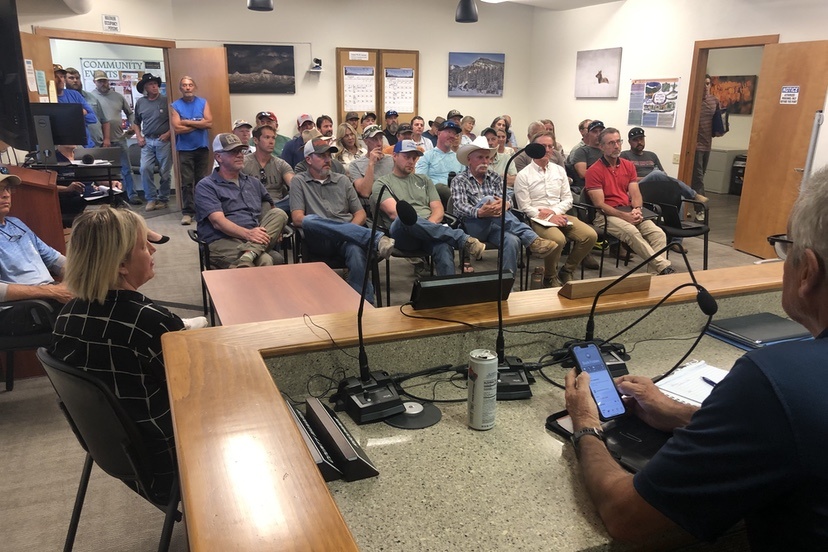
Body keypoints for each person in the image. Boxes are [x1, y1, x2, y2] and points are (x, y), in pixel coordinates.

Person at [564, 164, 828, 550]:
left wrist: (586, 423)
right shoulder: (785, 395)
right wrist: (680, 414)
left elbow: (628, 518)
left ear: (807, 272)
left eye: (784, 249)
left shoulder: (777, 380)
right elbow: (797, 432)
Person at [50, 207, 205, 502]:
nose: (151, 251)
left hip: (121, 456)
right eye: (143, 246)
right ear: (122, 263)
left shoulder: (66, 317)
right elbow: (198, 391)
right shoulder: (150, 322)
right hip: (171, 462)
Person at [290, 138, 395, 305]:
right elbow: (297, 218)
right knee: (309, 220)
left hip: (346, 239)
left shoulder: (342, 180)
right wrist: (348, 232)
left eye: (329, 156)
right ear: (308, 159)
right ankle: (376, 238)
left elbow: (360, 213)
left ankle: (363, 306)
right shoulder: (299, 181)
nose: (327, 160)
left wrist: (348, 231)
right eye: (321, 156)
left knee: (356, 251)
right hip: (319, 239)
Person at [373, 140, 485, 276]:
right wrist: (430, 228)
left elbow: (438, 209)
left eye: (414, 158)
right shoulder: (382, 183)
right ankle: (462, 239)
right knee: (405, 218)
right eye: (406, 157)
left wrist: (428, 228)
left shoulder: (424, 180)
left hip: (429, 231)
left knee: (443, 246)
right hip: (403, 235)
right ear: (395, 156)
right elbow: (394, 213)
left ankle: (448, 292)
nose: (411, 161)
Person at [450, 137, 557, 279]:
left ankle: (506, 286)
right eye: (480, 157)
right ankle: (532, 239)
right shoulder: (459, 179)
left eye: (488, 158)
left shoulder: (494, 177)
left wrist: (506, 204)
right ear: (469, 159)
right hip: (472, 226)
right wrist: (480, 212)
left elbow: (506, 199)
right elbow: (459, 207)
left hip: (496, 225)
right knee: (488, 199)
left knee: (513, 241)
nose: (485, 161)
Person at [513, 132, 597, 287]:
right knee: (558, 240)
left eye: (550, 146)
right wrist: (546, 217)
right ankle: (549, 276)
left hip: (559, 214)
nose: (547, 150)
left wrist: (553, 213)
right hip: (537, 218)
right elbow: (524, 206)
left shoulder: (559, 170)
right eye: (542, 146)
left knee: (590, 235)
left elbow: (568, 199)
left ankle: (567, 270)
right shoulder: (523, 175)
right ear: (533, 148)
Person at [585, 127, 673, 275]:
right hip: (605, 215)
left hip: (629, 210)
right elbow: (600, 204)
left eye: (618, 141)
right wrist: (625, 216)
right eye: (611, 143)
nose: (616, 146)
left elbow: (635, 193)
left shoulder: (628, 165)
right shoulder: (594, 171)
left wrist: (637, 209)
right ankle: (663, 266)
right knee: (632, 232)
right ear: (601, 147)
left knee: (658, 234)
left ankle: (654, 276)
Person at [195, 133, 288, 268]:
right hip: (222, 240)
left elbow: (270, 207)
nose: (239, 155)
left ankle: (248, 255)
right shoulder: (207, 185)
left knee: (279, 213)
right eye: (233, 152)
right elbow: (218, 222)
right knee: (265, 260)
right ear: (218, 157)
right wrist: (248, 234)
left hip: (253, 238)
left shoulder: (253, 182)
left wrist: (276, 229)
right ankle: (249, 258)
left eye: (241, 151)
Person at [0, 172, 72, 336]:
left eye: (7, 189)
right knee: (89, 312)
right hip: (16, 308)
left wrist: (82, 276)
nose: (5, 194)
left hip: (45, 298)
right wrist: (52, 292)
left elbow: (55, 259)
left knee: (107, 292)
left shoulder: (16, 223)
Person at [620, 126, 709, 252]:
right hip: (638, 189)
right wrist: (650, 176)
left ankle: (675, 242)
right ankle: (693, 194)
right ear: (630, 142)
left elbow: (664, 175)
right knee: (656, 174)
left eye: (641, 139)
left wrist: (656, 177)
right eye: (635, 140)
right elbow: (626, 179)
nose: (639, 142)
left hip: (655, 188)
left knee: (678, 196)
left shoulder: (652, 155)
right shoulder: (625, 155)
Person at [89, 70, 140, 205]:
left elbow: (130, 113)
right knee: (104, 172)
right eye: (100, 81)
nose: (103, 83)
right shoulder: (91, 98)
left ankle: (132, 195)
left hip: (119, 139)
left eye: (104, 80)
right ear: (94, 82)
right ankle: (111, 198)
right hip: (100, 141)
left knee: (126, 169)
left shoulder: (118, 96)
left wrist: (132, 125)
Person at [170, 76, 212, 225]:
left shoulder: (203, 102)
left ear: (194, 87)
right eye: (184, 85)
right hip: (185, 149)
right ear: (180, 88)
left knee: (202, 181)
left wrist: (187, 121)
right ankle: (188, 212)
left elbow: (209, 122)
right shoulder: (175, 105)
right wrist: (198, 123)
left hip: (202, 147)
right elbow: (177, 129)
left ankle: (202, 210)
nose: (187, 87)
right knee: (187, 182)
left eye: (190, 85)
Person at [132, 73, 172, 212]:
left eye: (156, 84)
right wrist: (139, 137)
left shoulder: (166, 101)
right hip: (147, 141)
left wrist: (168, 134)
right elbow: (136, 123)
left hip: (163, 140)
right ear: (145, 88)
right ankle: (151, 199)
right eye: (151, 84)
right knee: (145, 168)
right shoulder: (141, 103)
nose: (155, 86)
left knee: (165, 172)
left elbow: (174, 121)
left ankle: (164, 199)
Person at [243, 124, 294, 213]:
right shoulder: (244, 163)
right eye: (267, 137)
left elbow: (295, 185)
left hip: (278, 206)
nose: (271, 142)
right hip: (253, 204)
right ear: (255, 140)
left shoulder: (281, 164)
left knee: (296, 197)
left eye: (273, 138)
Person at [415, 120, 464, 207]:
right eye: (449, 132)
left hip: (458, 195)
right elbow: (420, 182)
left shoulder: (459, 158)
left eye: (454, 133)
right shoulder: (427, 156)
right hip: (435, 198)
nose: (452, 136)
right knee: (441, 188)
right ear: (438, 133)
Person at [692, 75, 721, 221]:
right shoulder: (693, 100)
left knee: (700, 176)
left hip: (707, 144)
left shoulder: (714, 101)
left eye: (708, 84)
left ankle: (690, 204)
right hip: (694, 146)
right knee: (698, 179)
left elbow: (718, 125)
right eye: (703, 84)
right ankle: (699, 210)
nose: (705, 87)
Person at [53, 64, 97, 149]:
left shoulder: (75, 95)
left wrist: (75, 115)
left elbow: (93, 118)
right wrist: (79, 113)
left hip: (87, 145)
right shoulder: (50, 99)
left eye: (62, 77)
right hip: (68, 147)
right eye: (56, 77)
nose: (60, 80)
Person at [63, 66, 106, 147]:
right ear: (64, 80)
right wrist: (81, 113)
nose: (75, 80)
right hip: (74, 143)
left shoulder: (91, 97)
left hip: (95, 141)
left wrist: (106, 139)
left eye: (77, 78)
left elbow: (94, 119)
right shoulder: (61, 97)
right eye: (71, 78)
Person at [350, 125, 394, 198]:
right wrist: (371, 164)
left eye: (381, 138)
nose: (379, 143)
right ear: (366, 141)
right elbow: (365, 192)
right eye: (375, 139)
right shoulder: (355, 165)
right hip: (373, 203)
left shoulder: (392, 160)